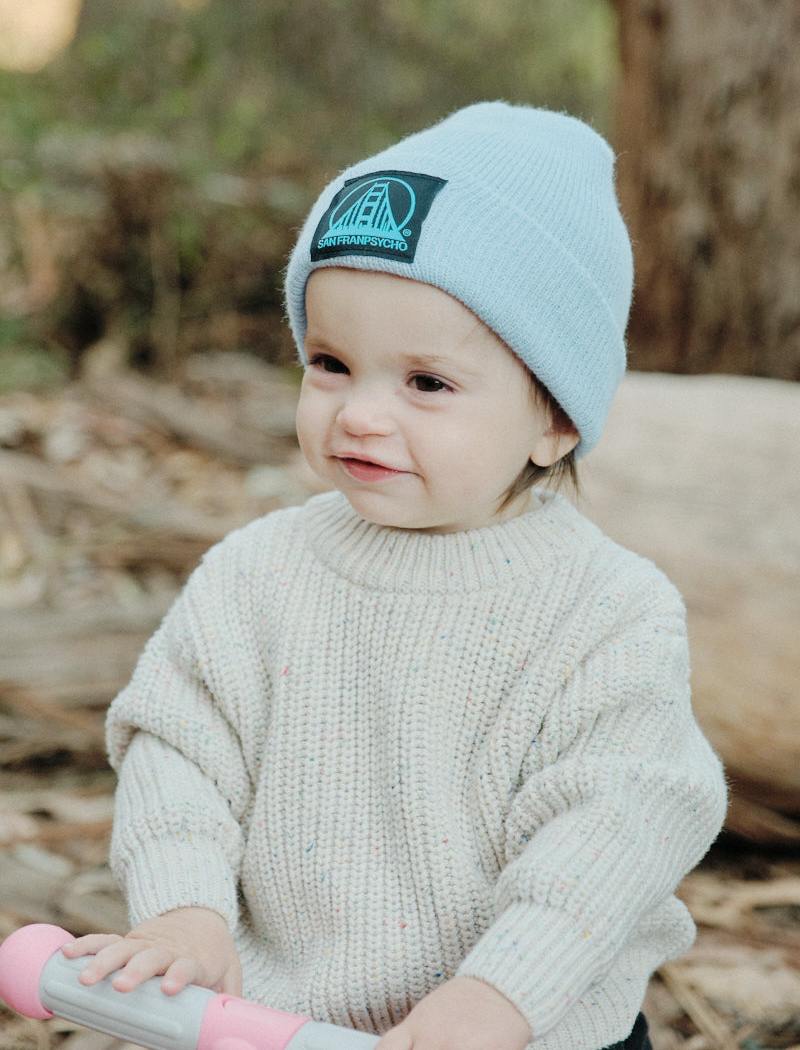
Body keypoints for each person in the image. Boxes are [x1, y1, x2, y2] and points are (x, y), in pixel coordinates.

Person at [64, 103, 727, 1050]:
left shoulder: (610, 611)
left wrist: (501, 993)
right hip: (280, 1024)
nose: (361, 415)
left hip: (525, 1028)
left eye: (426, 383)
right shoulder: (258, 574)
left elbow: (620, 824)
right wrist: (184, 911)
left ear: (556, 420)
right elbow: (180, 752)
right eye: (331, 363)